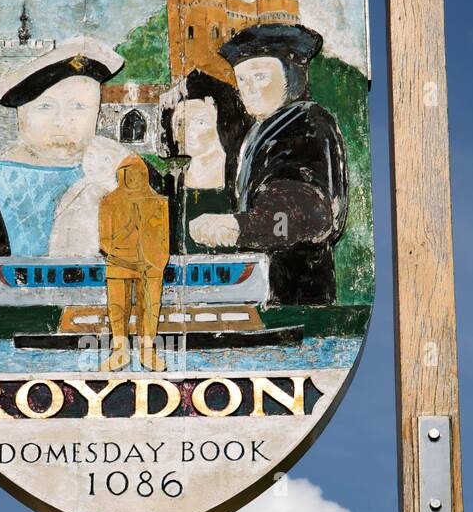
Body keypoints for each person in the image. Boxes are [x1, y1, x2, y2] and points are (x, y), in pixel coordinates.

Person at [0, 37, 123, 306]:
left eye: (79, 106)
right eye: (45, 107)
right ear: (20, 110)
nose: (63, 121)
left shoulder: (126, 178)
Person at [193, 22, 348, 304]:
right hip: (260, 287)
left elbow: (305, 217)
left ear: (292, 76)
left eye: (261, 77)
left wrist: (238, 227)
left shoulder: (306, 125)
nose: (249, 89)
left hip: (296, 291)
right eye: (242, 81)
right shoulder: (260, 131)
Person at [159, 69, 250, 252]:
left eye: (200, 122)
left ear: (222, 123)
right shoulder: (171, 182)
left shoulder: (243, 178)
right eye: (180, 123)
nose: (187, 131)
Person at [98, 154, 170, 372]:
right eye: (128, 174)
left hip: (150, 267)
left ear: (145, 175)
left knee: (149, 309)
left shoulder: (158, 202)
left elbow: (163, 238)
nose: (133, 178)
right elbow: (104, 241)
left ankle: (148, 351)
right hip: (119, 264)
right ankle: (120, 351)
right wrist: (123, 255)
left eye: (138, 174)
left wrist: (156, 262)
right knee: (118, 309)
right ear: (121, 175)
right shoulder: (109, 202)